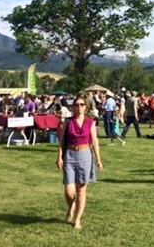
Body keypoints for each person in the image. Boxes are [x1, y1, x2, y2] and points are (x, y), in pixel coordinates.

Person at [56, 97, 103, 230]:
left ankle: (77, 220)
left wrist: (98, 159)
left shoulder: (90, 122)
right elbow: (62, 141)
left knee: (81, 190)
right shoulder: (68, 122)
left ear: (85, 107)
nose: (79, 107)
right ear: (73, 107)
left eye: (82, 105)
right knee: (69, 191)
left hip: (85, 155)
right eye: (77, 105)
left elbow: (94, 142)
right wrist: (59, 157)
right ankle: (71, 205)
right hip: (70, 155)